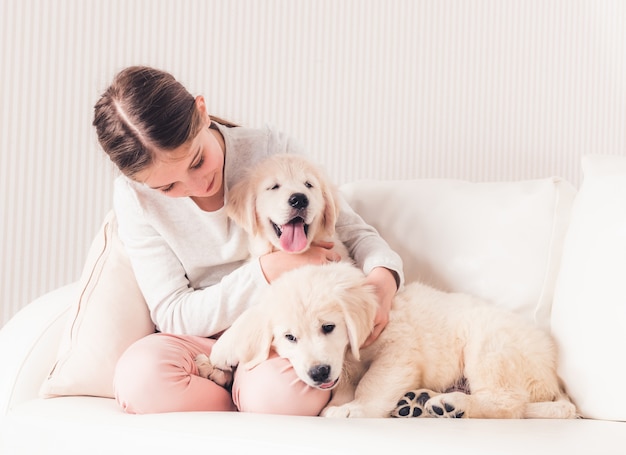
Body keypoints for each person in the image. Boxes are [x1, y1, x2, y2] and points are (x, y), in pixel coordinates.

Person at [93, 65, 404, 415]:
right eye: (168, 187)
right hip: (202, 339)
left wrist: (383, 278)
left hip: (283, 337)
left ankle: (249, 390)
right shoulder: (135, 199)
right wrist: (268, 270)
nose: (197, 186)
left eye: (197, 161)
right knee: (140, 380)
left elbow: (353, 233)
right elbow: (173, 312)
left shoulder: (271, 150)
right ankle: (235, 391)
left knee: (282, 395)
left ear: (201, 110)